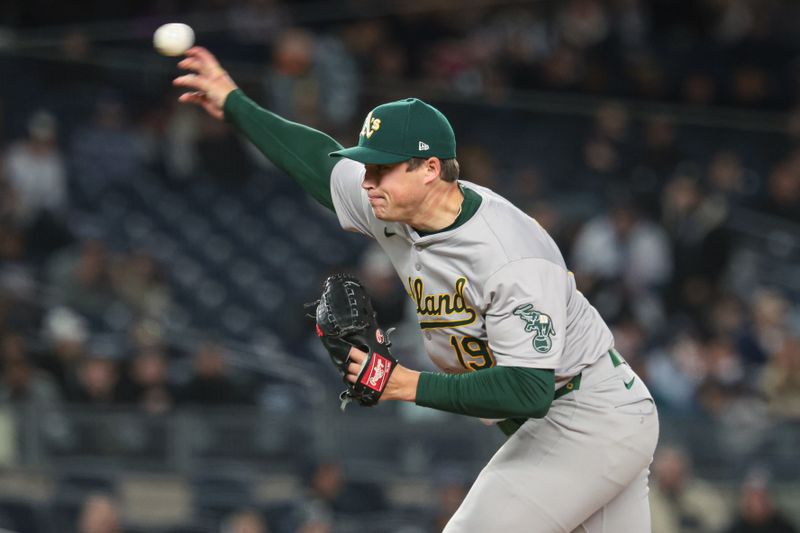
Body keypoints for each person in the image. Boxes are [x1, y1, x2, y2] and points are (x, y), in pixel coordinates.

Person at [174, 46, 660, 532]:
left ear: (430, 169)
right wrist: (236, 103)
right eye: (365, 167)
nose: (366, 181)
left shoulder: (511, 256)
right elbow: (318, 163)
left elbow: (527, 391)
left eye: (380, 168)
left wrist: (401, 383)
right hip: (577, 419)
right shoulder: (395, 206)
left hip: (585, 414)